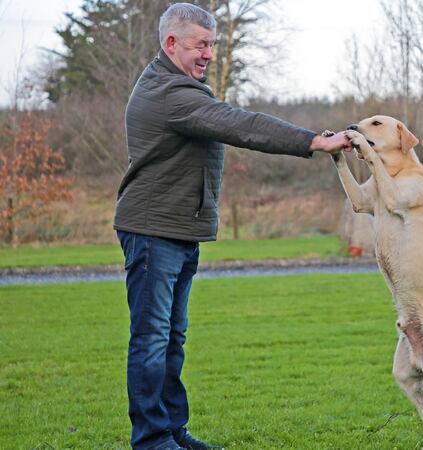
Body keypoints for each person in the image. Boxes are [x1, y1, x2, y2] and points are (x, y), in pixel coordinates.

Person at [113, 4, 350, 450]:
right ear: (171, 44)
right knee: (150, 340)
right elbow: (240, 124)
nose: (208, 54)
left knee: (171, 339)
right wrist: (312, 140)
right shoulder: (172, 94)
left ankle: (172, 432)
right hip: (152, 232)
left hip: (178, 230)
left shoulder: (181, 85)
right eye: (200, 45)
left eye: (212, 46)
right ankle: (151, 440)